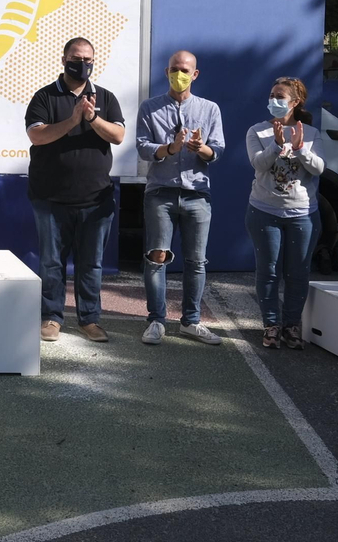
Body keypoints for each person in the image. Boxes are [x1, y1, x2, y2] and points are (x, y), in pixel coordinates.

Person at [26, 38, 127, 343]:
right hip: (50, 198)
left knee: (90, 264)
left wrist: (92, 117)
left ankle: (90, 319)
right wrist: (72, 120)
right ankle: (52, 317)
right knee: (51, 262)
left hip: (95, 200)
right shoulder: (45, 96)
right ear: (63, 59)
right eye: (76, 58)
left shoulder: (105, 98)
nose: (82, 64)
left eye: (87, 59)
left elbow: (119, 135)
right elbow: (36, 136)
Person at [135, 50, 224, 346]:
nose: (180, 74)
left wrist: (200, 148)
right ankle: (156, 320)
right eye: (175, 69)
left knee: (196, 261)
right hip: (160, 192)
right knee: (157, 256)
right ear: (166, 72)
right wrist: (171, 148)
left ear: (195, 74)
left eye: (185, 70)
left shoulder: (210, 109)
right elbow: (143, 148)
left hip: (197, 194)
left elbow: (217, 151)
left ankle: (191, 321)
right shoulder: (150, 107)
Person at [244, 78, 325, 348]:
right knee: (267, 272)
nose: (273, 100)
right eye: (271, 95)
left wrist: (300, 148)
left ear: (295, 102)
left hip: (302, 214)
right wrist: (277, 145)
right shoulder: (256, 130)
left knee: (298, 273)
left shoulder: (311, 133)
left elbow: (318, 168)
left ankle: (292, 326)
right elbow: (258, 164)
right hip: (264, 211)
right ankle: (271, 326)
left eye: (280, 96)